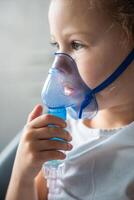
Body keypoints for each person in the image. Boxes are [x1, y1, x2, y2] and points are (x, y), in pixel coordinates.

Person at [6, 0, 134, 199]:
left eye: (76, 44)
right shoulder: (63, 128)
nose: (59, 66)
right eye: (56, 45)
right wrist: (23, 175)